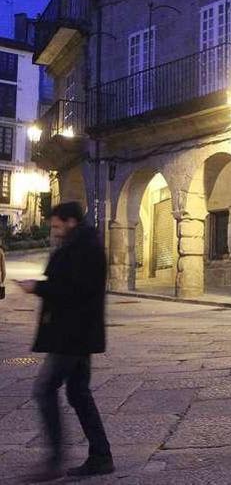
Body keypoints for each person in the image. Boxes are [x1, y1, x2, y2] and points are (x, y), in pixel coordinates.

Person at [16, 202, 114, 480]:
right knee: (78, 393)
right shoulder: (79, 245)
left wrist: (38, 287)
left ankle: (55, 459)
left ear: (70, 221)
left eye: (57, 225)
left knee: (45, 389)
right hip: (76, 334)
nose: (55, 231)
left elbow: (75, 289)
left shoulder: (84, 249)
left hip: (71, 335)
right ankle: (101, 456)